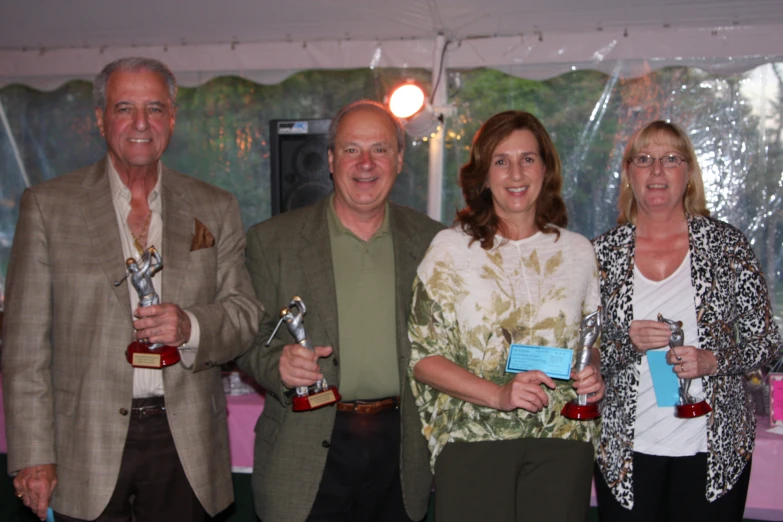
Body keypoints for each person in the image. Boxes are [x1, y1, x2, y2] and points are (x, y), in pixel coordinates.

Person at [2, 57, 263, 522]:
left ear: (173, 119)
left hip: (187, 445)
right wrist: (33, 455)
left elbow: (244, 314)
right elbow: (25, 347)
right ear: (100, 119)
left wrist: (192, 326)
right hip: (85, 445)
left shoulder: (215, 206)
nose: (141, 123)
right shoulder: (47, 206)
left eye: (155, 109)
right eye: (124, 108)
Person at [236, 100, 444, 522]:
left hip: (400, 452)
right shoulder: (272, 241)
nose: (365, 164)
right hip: (304, 447)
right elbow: (245, 340)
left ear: (400, 159)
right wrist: (278, 364)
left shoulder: (434, 243)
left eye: (380, 150)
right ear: (330, 160)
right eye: (351, 149)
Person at [408, 110, 605, 522]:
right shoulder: (449, 250)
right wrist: (499, 395)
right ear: (482, 175)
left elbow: (590, 343)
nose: (516, 172)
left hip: (563, 437)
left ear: (545, 168)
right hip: (475, 438)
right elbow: (423, 359)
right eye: (501, 160)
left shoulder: (578, 251)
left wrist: (592, 373)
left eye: (528, 159)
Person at [592, 120, 781, 521]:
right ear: (629, 174)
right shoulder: (601, 254)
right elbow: (581, 356)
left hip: (713, 450)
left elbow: (766, 341)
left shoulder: (727, 245)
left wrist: (712, 361)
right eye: (644, 159)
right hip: (626, 450)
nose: (657, 170)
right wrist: (628, 341)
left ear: (689, 174)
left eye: (670, 159)